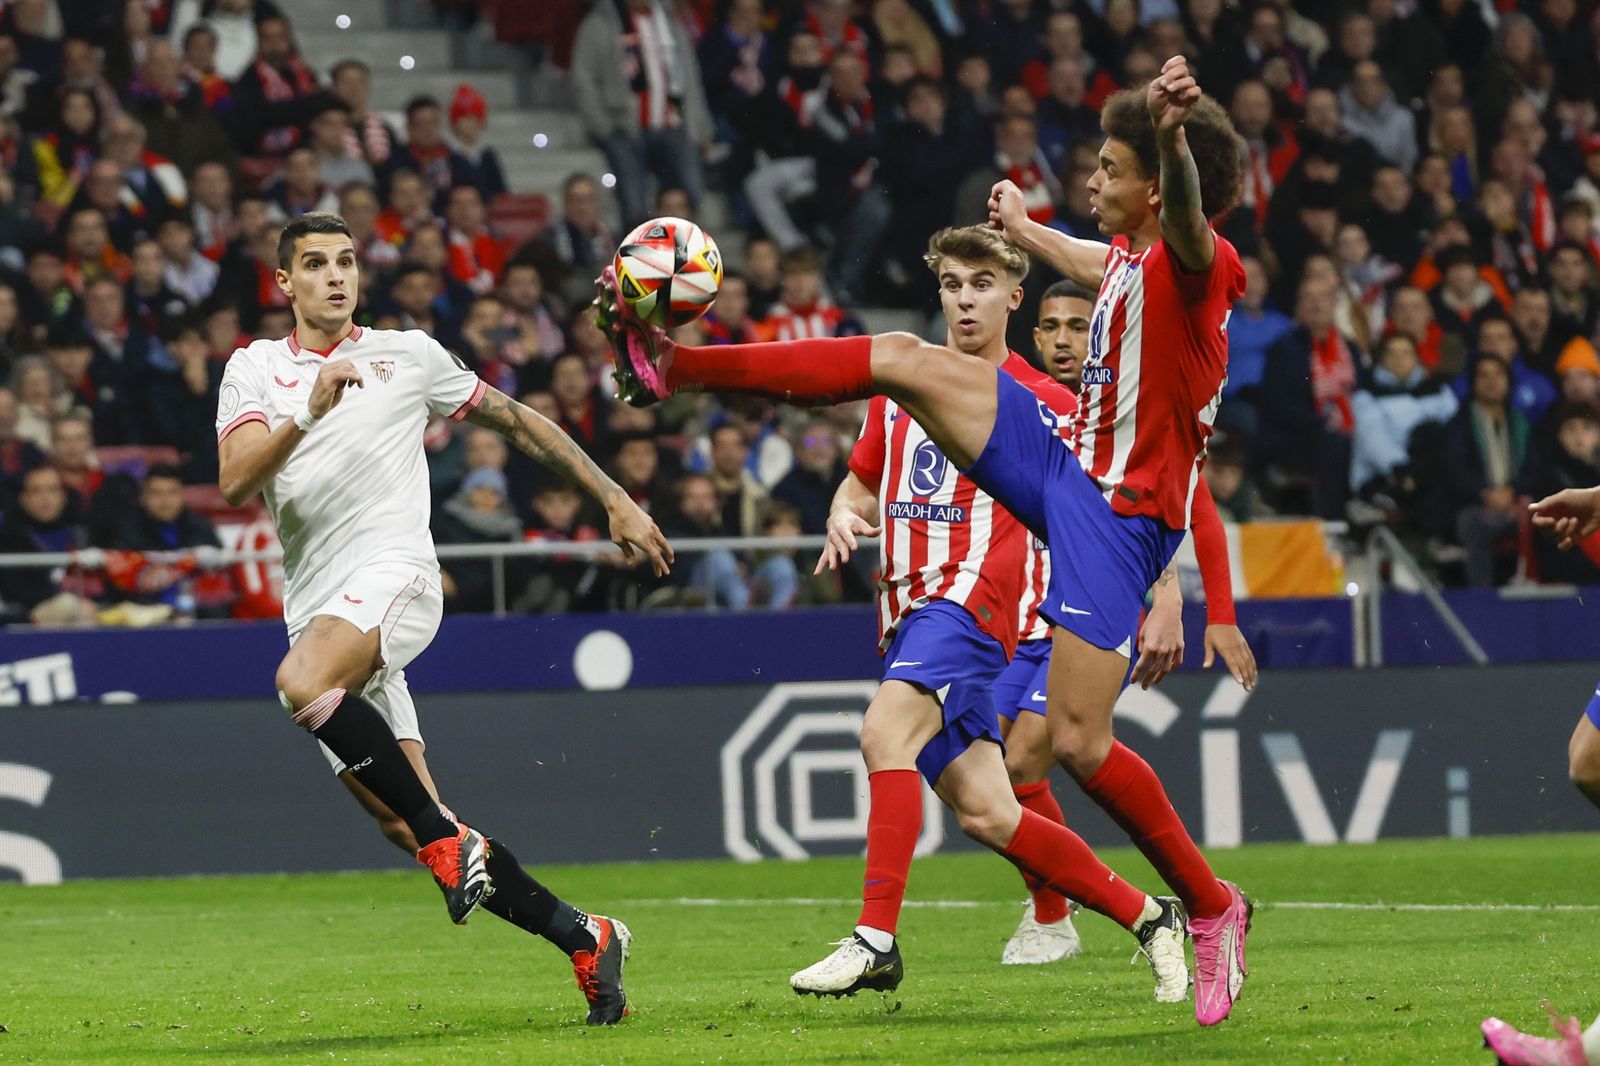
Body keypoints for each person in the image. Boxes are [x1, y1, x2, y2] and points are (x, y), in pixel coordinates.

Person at [595, 57, 1254, 1025]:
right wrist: (1028, 233)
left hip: (1123, 526)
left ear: (1153, 182)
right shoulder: (1125, 258)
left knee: (1073, 741)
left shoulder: (1202, 265)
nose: (1093, 180)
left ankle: (1209, 906)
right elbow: (1094, 259)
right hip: (1068, 467)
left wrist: (1167, 135)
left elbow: (1188, 221)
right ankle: (675, 367)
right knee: (903, 359)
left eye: (1110, 169)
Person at [214, 212, 672, 1024]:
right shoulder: (253, 370)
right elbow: (235, 481)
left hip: (397, 577)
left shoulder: (410, 356)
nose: (335, 276)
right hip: (319, 609)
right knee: (410, 822)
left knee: (301, 684)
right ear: (283, 282)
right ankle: (586, 935)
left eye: (346, 261)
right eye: (314, 264)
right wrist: (309, 411)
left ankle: (451, 846)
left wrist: (613, 495)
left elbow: (518, 420)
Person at [769, 224, 1189, 1004]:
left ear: (1012, 298)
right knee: (991, 813)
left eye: (982, 285)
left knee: (881, 732)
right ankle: (1150, 917)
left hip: (977, 601)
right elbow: (863, 480)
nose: (966, 299)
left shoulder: (1048, 401)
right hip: (907, 605)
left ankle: (875, 939)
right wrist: (841, 510)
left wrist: (1166, 592)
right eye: (954, 285)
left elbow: (1123, 502)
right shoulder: (898, 387)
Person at [993, 281, 1255, 966]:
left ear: (1104, 337)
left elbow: (1188, 505)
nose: (1060, 341)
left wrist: (1176, 598)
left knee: (1033, 757)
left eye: (1077, 327)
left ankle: (1086, 911)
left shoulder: (1136, 408)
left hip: (1090, 606)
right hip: (1025, 610)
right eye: (1048, 327)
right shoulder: (1014, 394)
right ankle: (1077, 908)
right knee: (1003, 771)